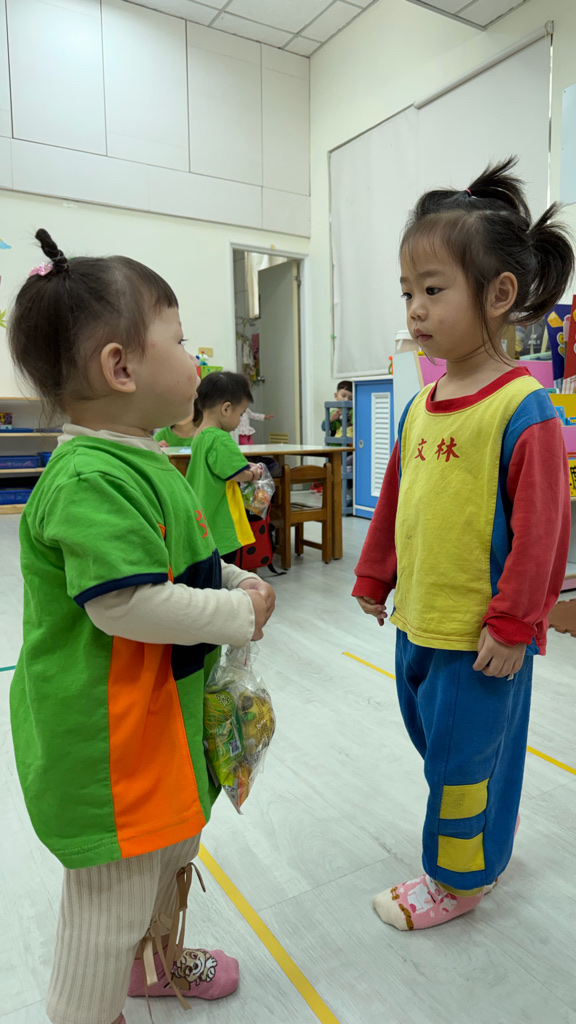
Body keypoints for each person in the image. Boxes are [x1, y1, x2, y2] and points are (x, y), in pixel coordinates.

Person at [8, 230, 276, 1024]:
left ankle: (153, 962)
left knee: (163, 858)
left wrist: (231, 578)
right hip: (109, 745)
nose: (196, 360)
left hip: (158, 723)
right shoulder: (89, 476)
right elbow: (125, 603)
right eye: (183, 340)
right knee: (108, 905)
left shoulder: (147, 458)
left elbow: (179, 561)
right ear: (121, 367)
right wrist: (237, 614)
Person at [353, 158, 573, 931]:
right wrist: (375, 576)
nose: (416, 309)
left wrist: (515, 625)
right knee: (452, 753)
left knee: (459, 765)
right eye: (408, 293)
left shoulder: (523, 409)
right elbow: (396, 501)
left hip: (482, 638)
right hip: (419, 622)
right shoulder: (422, 405)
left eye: (433, 290)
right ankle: (485, 848)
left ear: (499, 294)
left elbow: (543, 534)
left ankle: (456, 881)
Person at [187, 371, 266, 564]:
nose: (240, 420)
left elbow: (221, 465)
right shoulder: (220, 437)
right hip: (220, 520)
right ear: (226, 409)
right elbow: (237, 474)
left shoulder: (200, 434)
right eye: (241, 414)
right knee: (225, 568)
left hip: (203, 512)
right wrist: (253, 474)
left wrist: (243, 466)